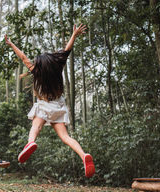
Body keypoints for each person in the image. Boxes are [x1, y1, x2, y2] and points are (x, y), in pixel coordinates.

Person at [5, 24, 95, 178]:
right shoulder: (58, 67)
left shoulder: (36, 71)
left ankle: (30, 142)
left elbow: (23, 57)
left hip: (44, 105)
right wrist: (74, 34)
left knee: (35, 126)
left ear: (39, 65)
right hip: (58, 106)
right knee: (66, 137)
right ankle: (83, 155)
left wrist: (11, 44)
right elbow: (67, 50)